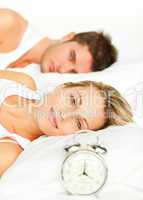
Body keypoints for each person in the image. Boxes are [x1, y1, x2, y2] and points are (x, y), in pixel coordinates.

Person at [0, 70, 132, 176]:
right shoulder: (22, 81)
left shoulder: (8, 153)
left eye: (79, 123)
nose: (65, 115)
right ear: (63, 86)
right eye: (73, 100)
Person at [0, 8, 117, 73]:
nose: (62, 69)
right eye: (71, 56)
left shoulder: (33, 80)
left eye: (73, 72)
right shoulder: (9, 24)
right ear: (68, 37)